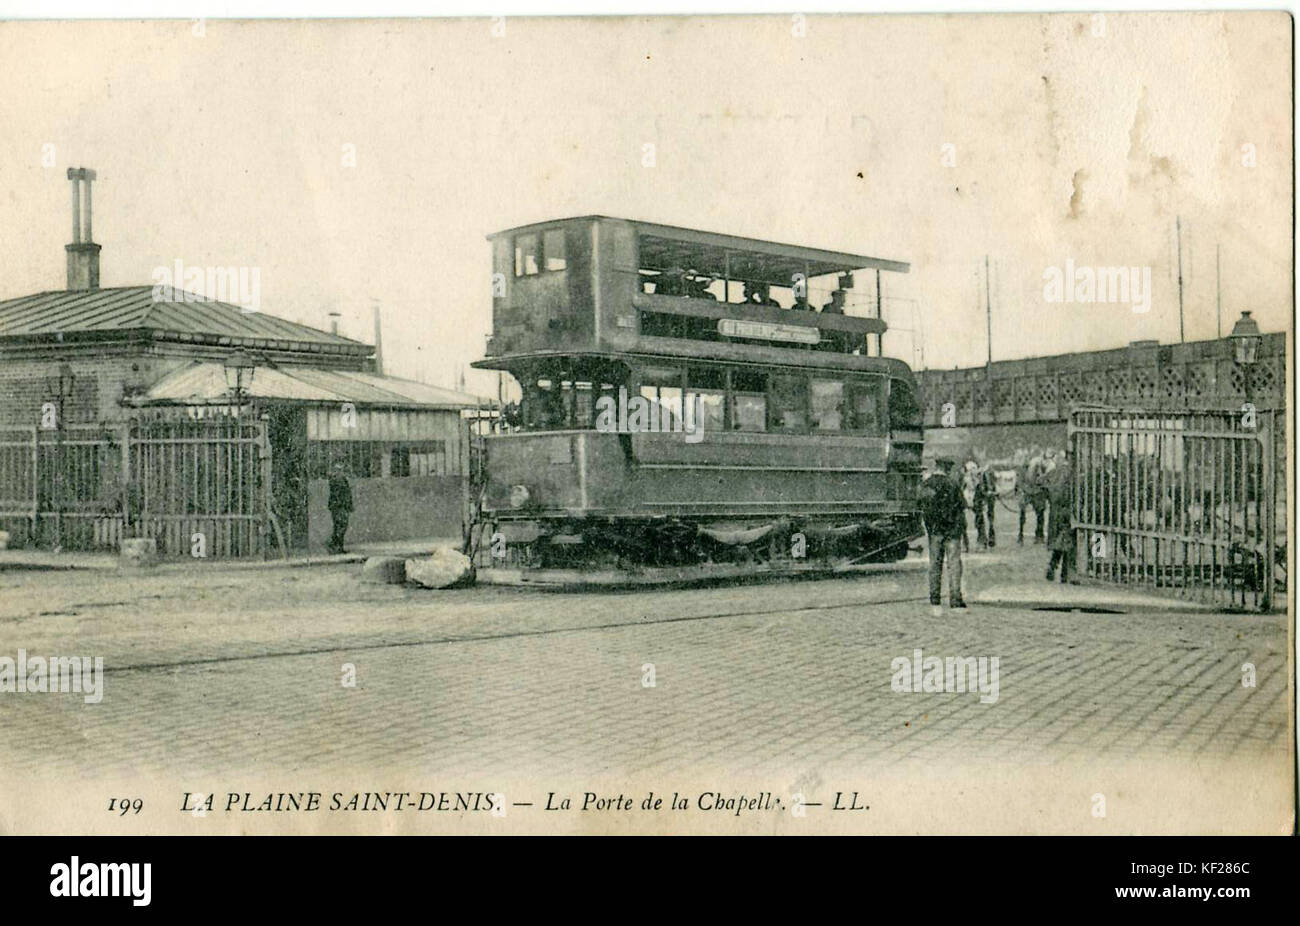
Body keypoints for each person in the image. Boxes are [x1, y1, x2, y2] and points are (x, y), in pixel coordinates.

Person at [919, 458, 968, 612]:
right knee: (954, 564)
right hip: (952, 532)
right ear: (947, 468)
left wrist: (930, 527)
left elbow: (922, 508)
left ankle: (934, 598)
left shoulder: (927, 484)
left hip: (935, 531)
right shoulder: (953, 484)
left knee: (934, 564)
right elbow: (962, 508)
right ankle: (955, 598)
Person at [1045, 457, 1076, 583]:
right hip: (1067, 513)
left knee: (1062, 542)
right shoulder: (1071, 474)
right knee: (1069, 543)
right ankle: (1065, 573)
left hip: (1056, 513)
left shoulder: (1054, 473)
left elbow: (1041, 483)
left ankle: (1054, 568)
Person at [1018, 449, 1049, 544]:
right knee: (1022, 513)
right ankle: (1021, 533)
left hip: (1037, 491)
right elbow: (1020, 481)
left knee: (1040, 513)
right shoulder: (1024, 467)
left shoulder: (1042, 466)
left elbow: (1044, 479)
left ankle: (1039, 535)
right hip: (1028, 491)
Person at [327, 461, 353, 554]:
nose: (341, 471)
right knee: (340, 526)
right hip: (339, 506)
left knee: (341, 526)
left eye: (341, 470)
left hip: (342, 506)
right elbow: (340, 494)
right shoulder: (336, 480)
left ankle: (337, 546)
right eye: (339, 470)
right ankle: (335, 546)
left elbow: (347, 494)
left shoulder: (342, 479)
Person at [973, 462, 998, 549]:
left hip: (983, 501)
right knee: (984, 520)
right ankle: (987, 539)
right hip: (983, 501)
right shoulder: (982, 477)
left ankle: (983, 540)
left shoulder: (982, 477)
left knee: (982, 521)